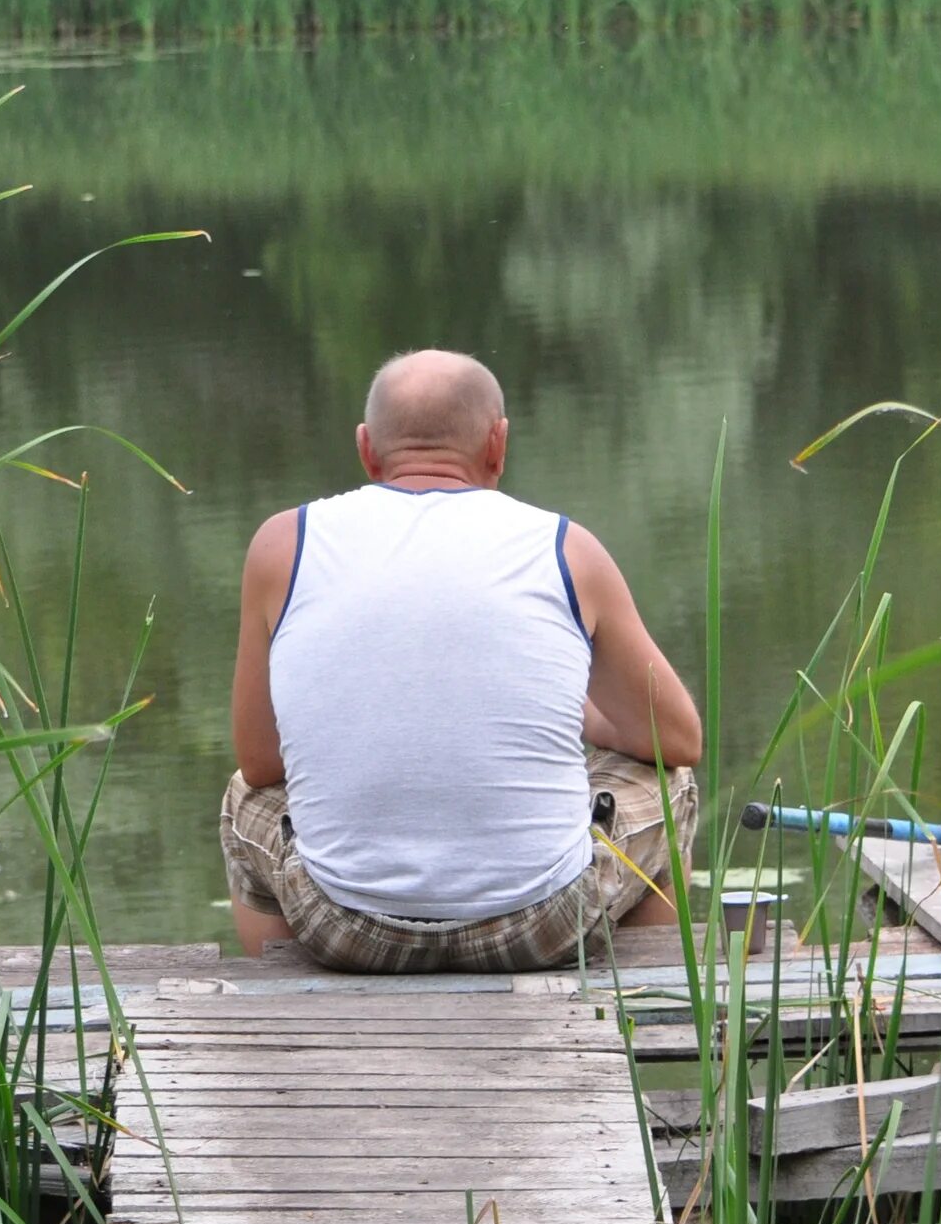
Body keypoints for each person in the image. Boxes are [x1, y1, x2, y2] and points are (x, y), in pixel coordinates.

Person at [221, 350, 702, 972]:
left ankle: (294, 1007)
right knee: (669, 785)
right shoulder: (565, 547)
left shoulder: (283, 544)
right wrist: (580, 715)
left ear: (367, 450)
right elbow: (678, 739)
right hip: (540, 926)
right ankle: (635, 1007)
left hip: (347, 932)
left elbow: (260, 763)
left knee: (244, 801)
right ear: (498, 445)